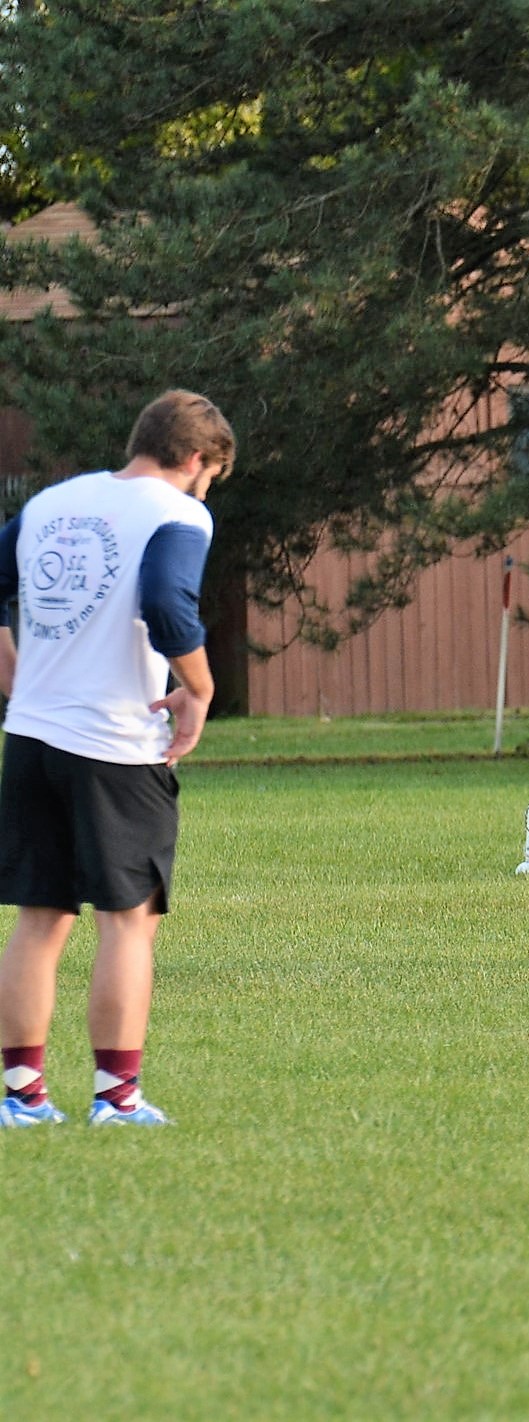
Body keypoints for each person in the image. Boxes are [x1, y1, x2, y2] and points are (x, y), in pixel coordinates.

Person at [0, 390, 232, 1127]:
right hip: (114, 747)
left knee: (40, 918)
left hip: (31, 738)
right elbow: (167, 603)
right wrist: (200, 686)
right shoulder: (178, 512)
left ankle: (21, 1098)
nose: (206, 490)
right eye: (210, 477)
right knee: (127, 922)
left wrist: (16, 676)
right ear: (197, 461)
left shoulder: (51, 503)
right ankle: (116, 1099)